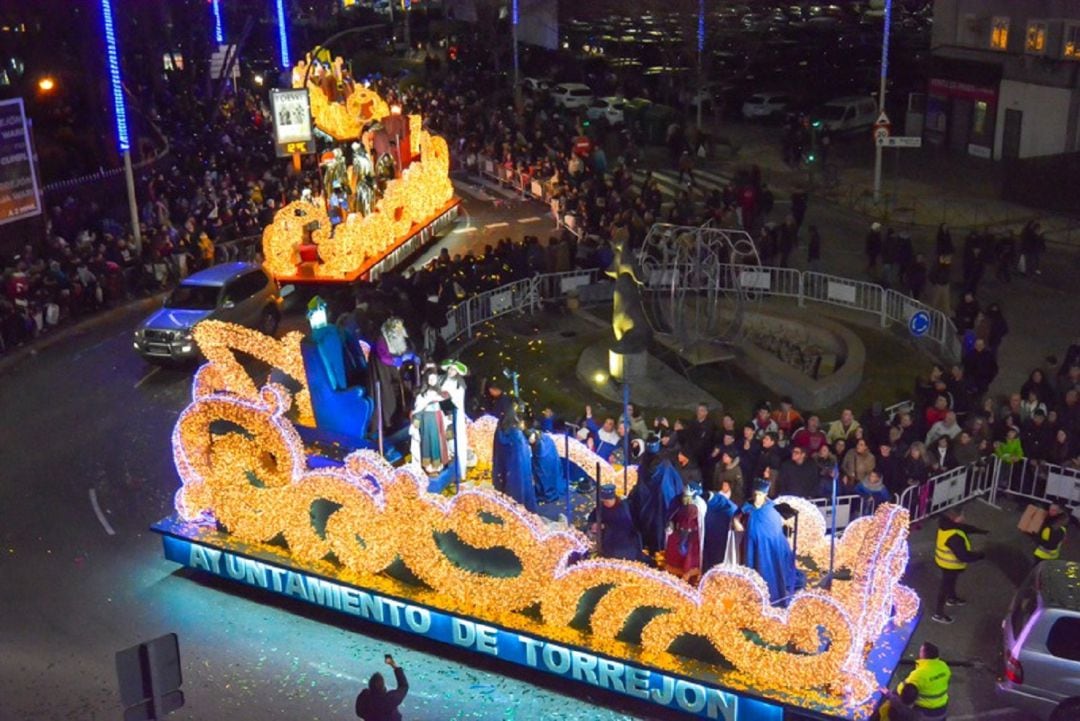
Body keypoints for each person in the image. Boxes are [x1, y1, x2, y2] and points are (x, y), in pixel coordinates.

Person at [932, 505, 987, 624]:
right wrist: (979, 556)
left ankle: (951, 598)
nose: (964, 517)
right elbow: (963, 556)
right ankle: (938, 613)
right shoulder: (954, 536)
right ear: (955, 517)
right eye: (962, 515)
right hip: (949, 565)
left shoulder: (947, 525)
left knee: (951, 582)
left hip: (947, 563)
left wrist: (980, 531)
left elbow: (964, 528)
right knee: (945, 587)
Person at [590, 484, 651, 564]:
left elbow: (626, 527)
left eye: (607, 501)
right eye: (604, 501)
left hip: (625, 541)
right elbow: (593, 517)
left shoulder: (623, 508)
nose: (605, 504)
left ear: (613, 499)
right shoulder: (601, 507)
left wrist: (605, 526)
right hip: (607, 539)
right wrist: (594, 524)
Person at [896, 642, 951, 720]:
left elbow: (902, 691)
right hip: (942, 709)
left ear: (923, 654)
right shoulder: (944, 666)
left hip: (926, 712)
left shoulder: (919, 674)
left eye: (920, 651)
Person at [355, 654, 408, 721]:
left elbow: (359, 712)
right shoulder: (390, 699)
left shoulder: (365, 698)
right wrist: (393, 665)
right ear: (383, 687)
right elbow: (404, 686)